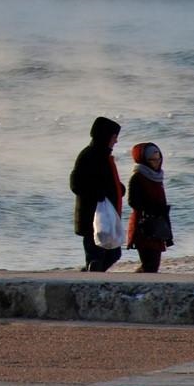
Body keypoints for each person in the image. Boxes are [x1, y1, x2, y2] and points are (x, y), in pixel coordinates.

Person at [70, 116, 124, 271]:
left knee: (113, 253)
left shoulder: (103, 155)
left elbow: (107, 182)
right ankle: (90, 277)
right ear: (106, 136)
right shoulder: (88, 155)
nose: (116, 141)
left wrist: (119, 189)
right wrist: (97, 194)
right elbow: (75, 183)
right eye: (114, 137)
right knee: (96, 256)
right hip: (92, 217)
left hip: (107, 217)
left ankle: (89, 274)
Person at [126, 142, 172, 273]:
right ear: (144, 160)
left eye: (158, 159)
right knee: (149, 264)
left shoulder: (157, 177)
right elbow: (133, 202)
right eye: (152, 160)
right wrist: (153, 208)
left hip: (158, 225)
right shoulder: (138, 177)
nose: (156, 162)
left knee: (153, 264)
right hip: (144, 226)